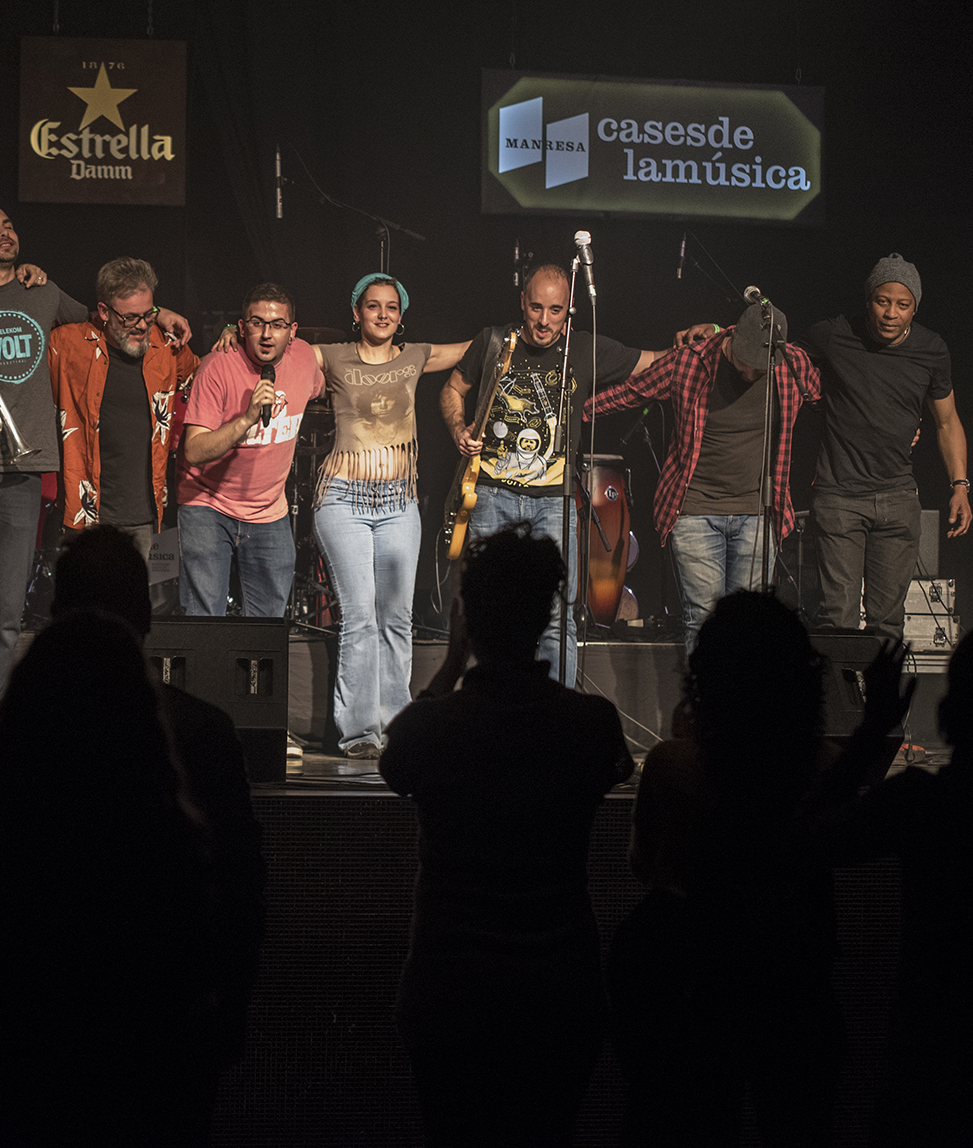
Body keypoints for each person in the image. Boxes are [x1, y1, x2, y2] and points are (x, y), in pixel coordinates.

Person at [0, 525, 265, 1078]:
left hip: (13, 1054)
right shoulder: (206, 732)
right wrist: (223, 1023)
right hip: (154, 1053)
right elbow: (240, 896)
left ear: (55, 613)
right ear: (146, 617)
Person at [0, 610, 219, 1146]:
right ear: (144, 718)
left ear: (21, 713)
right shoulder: (174, 850)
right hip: (134, 1109)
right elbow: (200, 989)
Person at [379, 526, 634, 1148]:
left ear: (467, 619)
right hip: (559, 989)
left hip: (452, 989)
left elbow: (396, 760)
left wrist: (450, 663)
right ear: (546, 615)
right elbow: (615, 767)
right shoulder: (590, 724)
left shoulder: (437, 727)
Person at [0, 204, 191, 737]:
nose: (4, 232)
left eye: (8, 225)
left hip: (23, 470)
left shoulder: (44, 293)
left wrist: (163, 313)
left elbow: (110, 315)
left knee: (6, 610)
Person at [795, 624, 973, 1146]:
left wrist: (872, 729)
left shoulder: (923, 803)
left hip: (934, 1054)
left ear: (952, 709)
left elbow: (804, 842)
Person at [609, 591, 845, 1147]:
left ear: (706, 675)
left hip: (684, 980)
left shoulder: (673, 763)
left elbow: (644, 865)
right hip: (792, 978)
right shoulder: (827, 770)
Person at [439, 263, 678, 685]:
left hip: (554, 501)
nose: (544, 321)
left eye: (555, 310)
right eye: (536, 308)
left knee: (556, 616)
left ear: (569, 310)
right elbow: (453, 389)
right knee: (490, 611)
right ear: (522, 302)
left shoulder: (582, 349)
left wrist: (698, 340)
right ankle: (492, 706)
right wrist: (459, 428)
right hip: (490, 495)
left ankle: (554, 709)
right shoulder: (494, 341)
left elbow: (654, 361)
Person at [585, 302, 822, 653]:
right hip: (694, 510)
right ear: (733, 339)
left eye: (761, 368)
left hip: (758, 512)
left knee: (750, 624)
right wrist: (576, 412)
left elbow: (827, 400)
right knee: (704, 620)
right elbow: (630, 392)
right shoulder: (690, 362)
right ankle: (707, 689)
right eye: (745, 363)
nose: (752, 373)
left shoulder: (792, 365)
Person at [308, 274, 469, 759]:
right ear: (356, 312)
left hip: (399, 502)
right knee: (360, 617)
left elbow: (477, 348)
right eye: (373, 306)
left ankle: (396, 728)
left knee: (396, 618)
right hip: (343, 499)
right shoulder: (331, 355)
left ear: (401, 317)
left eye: (392, 307)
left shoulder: (414, 355)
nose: (382, 314)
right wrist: (231, 332)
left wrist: (517, 331)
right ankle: (359, 732)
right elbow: (275, 346)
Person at [799, 253, 970, 643]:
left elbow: (947, 421)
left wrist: (960, 486)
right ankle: (839, 687)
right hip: (839, 497)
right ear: (868, 301)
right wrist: (721, 330)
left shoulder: (931, 349)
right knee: (837, 620)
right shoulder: (834, 335)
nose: (891, 313)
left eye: (902, 304)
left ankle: (882, 687)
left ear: (915, 308)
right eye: (882, 301)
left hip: (897, 500)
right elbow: (774, 356)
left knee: (888, 625)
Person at [177, 283, 318, 618]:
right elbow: (193, 451)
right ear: (242, 328)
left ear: (292, 331)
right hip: (208, 504)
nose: (267, 335)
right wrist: (246, 420)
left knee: (266, 628)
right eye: (257, 323)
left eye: (278, 325)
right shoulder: (216, 367)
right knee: (204, 623)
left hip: (269, 510)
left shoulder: (305, 358)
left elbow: (327, 382)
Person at [47, 257, 199, 560]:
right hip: (87, 517)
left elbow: (208, 375)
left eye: (148, 314)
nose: (142, 325)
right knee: (87, 592)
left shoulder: (167, 347)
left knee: (152, 592)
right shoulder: (69, 343)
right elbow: (27, 322)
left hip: (153, 518)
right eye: (130, 317)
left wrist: (231, 335)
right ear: (104, 311)